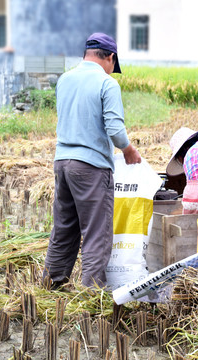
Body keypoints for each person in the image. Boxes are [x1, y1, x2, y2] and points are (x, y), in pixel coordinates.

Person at [43, 32, 142, 289]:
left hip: (62, 163)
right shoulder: (107, 84)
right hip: (90, 167)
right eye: (113, 64)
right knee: (97, 232)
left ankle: (52, 282)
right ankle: (92, 293)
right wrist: (129, 151)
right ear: (110, 57)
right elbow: (116, 130)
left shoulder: (65, 79)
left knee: (64, 228)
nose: (112, 70)